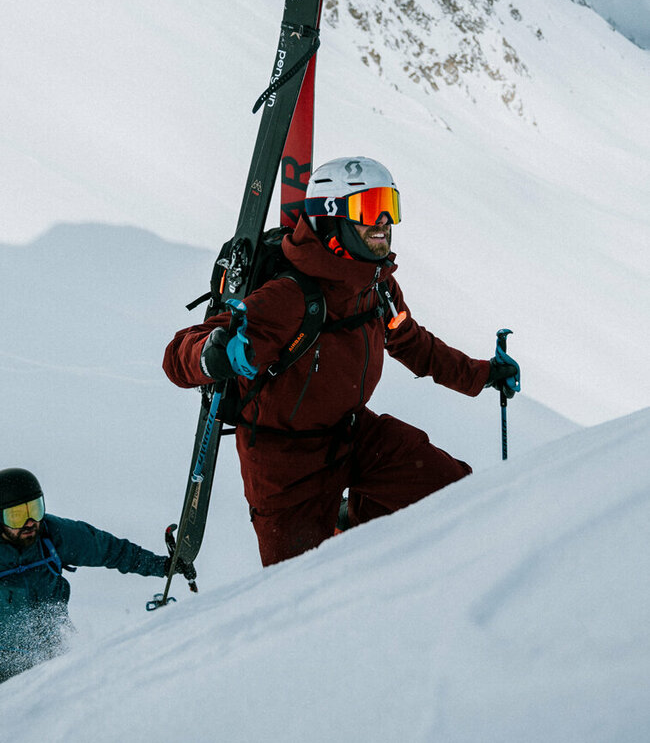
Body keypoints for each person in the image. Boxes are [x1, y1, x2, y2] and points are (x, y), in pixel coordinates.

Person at [163, 157, 519, 567]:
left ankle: (350, 520)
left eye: (390, 206)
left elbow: (412, 343)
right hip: (286, 470)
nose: (383, 221)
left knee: (453, 494)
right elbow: (177, 355)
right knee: (299, 590)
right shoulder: (290, 296)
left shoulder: (376, 285)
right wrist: (213, 353)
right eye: (369, 209)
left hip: (353, 435)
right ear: (331, 218)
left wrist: (483, 374)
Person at [0, 467, 190, 682]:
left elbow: (110, 550)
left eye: (35, 509)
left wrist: (163, 566)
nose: (30, 522)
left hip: (52, 662)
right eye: (16, 516)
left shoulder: (52, 535)